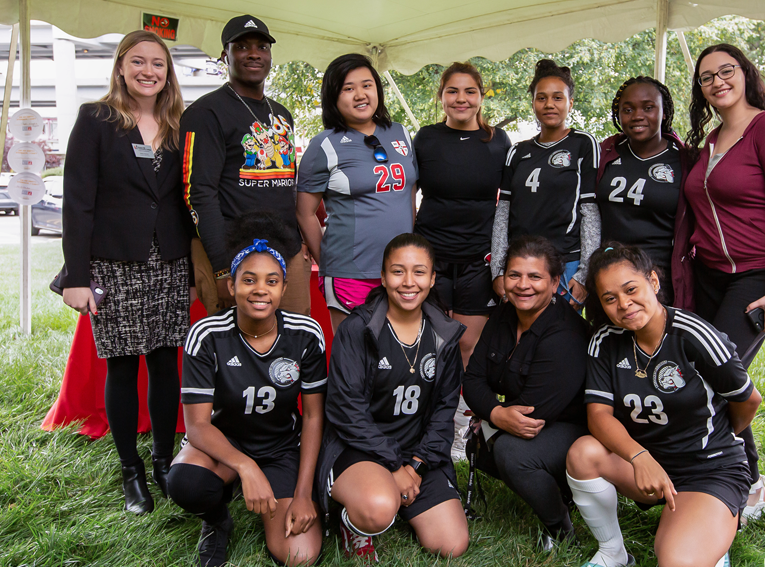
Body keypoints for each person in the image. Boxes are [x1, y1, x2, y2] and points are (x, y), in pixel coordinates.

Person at [61, 30, 192, 514]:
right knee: (121, 363)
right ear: (120, 67)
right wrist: (77, 276)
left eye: (157, 63)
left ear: (167, 72)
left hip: (170, 261)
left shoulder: (179, 123)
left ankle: (162, 461)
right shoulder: (95, 119)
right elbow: (77, 203)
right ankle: (130, 470)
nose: (148, 71)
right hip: (113, 263)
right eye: (138, 62)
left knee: (163, 363)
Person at [567, 243, 762, 567]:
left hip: (708, 469)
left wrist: (716, 437)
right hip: (648, 466)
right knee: (582, 454)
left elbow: (748, 400)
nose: (624, 304)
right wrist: (639, 456)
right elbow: (598, 416)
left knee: (675, 560)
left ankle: (710, 531)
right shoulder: (604, 340)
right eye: (609, 298)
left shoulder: (694, 335)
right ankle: (612, 553)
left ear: (654, 282)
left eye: (631, 289)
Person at [684, 43, 765, 518]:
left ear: (744, 73)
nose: (717, 82)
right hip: (707, 276)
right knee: (714, 374)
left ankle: (747, 481)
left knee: (717, 374)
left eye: (726, 71)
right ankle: (734, 472)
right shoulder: (711, 140)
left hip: (754, 279)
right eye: (707, 77)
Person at [167, 213, 326, 567]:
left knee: (298, 556)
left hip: (282, 448)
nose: (260, 289)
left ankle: (285, 490)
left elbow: (315, 416)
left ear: (284, 289)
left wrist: (302, 494)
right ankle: (217, 519)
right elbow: (197, 426)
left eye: (272, 281)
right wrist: (246, 467)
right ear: (231, 286)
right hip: (225, 445)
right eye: (249, 279)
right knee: (186, 483)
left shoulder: (305, 333)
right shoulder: (207, 334)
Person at [315, 234, 469, 561]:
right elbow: (345, 411)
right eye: (398, 272)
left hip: (416, 453)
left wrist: (415, 465)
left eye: (419, 272)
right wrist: (395, 465)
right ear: (383, 277)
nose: (408, 282)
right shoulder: (358, 329)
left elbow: (444, 411)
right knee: (377, 508)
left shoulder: (444, 333)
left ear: (431, 278)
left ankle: (399, 495)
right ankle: (356, 522)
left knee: (451, 544)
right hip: (360, 448)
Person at [463, 235, 589, 551]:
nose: (523, 285)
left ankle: (560, 529)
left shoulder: (565, 332)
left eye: (535, 276)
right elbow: (473, 379)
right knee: (479, 448)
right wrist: (495, 413)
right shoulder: (503, 315)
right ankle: (559, 492)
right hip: (535, 420)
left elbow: (532, 414)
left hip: (580, 432)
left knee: (511, 452)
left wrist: (491, 412)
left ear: (555, 281)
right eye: (514, 275)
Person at [181, 14, 311, 318]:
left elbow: (284, 185)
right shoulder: (204, 113)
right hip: (232, 254)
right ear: (224, 55)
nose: (254, 53)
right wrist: (223, 266)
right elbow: (198, 193)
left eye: (262, 47)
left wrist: (298, 241)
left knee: (293, 345)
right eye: (242, 46)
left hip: (285, 251)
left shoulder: (281, 114)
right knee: (236, 356)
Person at [297, 54, 419, 334]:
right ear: (333, 96)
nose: (360, 94)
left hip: (400, 271)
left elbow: (409, 193)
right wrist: (327, 263)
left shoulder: (400, 133)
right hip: (349, 273)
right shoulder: (323, 145)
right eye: (348, 88)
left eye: (367, 85)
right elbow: (304, 213)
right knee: (354, 359)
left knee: (394, 359)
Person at [413, 61, 512, 367]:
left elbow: (509, 204)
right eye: (452, 91)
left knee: (468, 343)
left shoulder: (498, 140)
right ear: (440, 97)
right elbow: (406, 194)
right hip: (432, 256)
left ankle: (463, 413)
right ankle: (430, 412)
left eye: (470, 91)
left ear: (481, 97)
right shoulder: (426, 137)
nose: (461, 99)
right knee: (433, 341)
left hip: (478, 258)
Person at [491, 59, 600, 307]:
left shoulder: (583, 144)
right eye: (541, 98)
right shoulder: (517, 151)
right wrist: (498, 270)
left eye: (557, 97)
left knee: (561, 337)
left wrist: (585, 274)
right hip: (521, 265)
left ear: (570, 103)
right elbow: (503, 213)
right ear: (533, 104)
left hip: (565, 263)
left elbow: (590, 211)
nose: (549, 104)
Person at [595, 76, 691, 306]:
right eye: (627, 109)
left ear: (664, 112)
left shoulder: (685, 160)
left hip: (659, 275)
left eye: (648, 108)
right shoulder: (603, 154)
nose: (637, 115)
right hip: (610, 272)